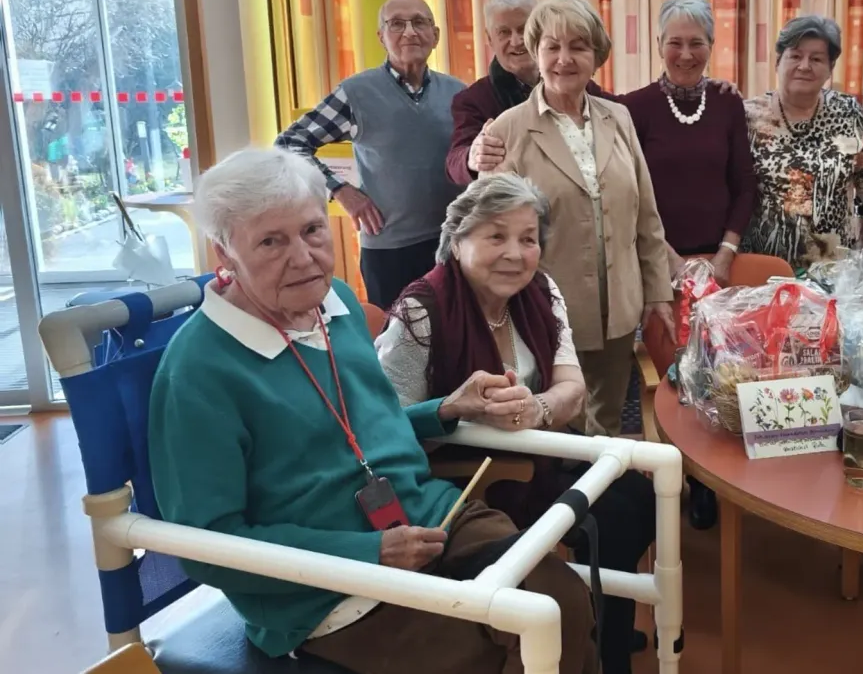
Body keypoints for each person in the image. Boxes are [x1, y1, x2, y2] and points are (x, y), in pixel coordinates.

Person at [148, 147, 596, 674]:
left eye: (313, 230)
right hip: (330, 593)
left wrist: (445, 410)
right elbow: (208, 547)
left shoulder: (333, 303)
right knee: (479, 654)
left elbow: (356, 437)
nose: (303, 257)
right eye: (271, 241)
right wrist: (369, 553)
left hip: (432, 519)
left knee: (559, 601)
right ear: (224, 254)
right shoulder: (198, 368)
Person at [377, 173, 655, 674]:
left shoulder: (542, 291)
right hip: (463, 479)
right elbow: (385, 426)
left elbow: (572, 389)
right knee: (604, 514)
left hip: (541, 450)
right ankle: (584, 627)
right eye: (496, 236)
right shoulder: (420, 311)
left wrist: (537, 410)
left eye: (528, 239)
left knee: (632, 499)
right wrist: (457, 408)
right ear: (457, 240)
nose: (515, 253)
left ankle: (608, 639)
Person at [482, 0, 674, 437]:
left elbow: (646, 215)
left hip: (619, 310)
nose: (564, 59)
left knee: (606, 420)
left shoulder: (619, 118)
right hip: (545, 314)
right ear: (536, 52)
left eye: (579, 46)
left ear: (596, 56)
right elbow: (491, 239)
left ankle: (605, 504)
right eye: (552, 46)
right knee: (555, 430)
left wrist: (657, 292)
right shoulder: (506, 130)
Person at [276, 0, 464, 309]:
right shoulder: (357, 93)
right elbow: (289, 144)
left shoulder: (458, 93)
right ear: (381, 36)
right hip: (390, 252)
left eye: (419, 22)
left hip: (453, 244)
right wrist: (342, 191)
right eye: (397, 24)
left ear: (436, 35)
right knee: (396, 347)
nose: (409, 32)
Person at [743, 14, 863, 274]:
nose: (805, 66)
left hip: (833, 271)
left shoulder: (846, 112)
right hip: (763, 268)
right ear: (778, 62)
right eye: (795, 55)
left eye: (816, 59)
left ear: (830, 67)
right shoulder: (748, 116)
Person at [619, 0, 755, 287]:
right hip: (654, 265)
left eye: (696, 43)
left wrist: (725, 256)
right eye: (675, 43)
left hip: (719, 266)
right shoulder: (633, 108)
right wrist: (670, 261)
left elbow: (745, 187)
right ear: (658, 45)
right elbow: (628, 197)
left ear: (711, 45)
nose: (685, 55)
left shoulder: (727, 102)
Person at [446, 0, 611, 187]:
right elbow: (454, 162)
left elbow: (613, 112)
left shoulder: (570, 82)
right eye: (504, 32)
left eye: (522, 29)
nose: (516, 41)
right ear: (490, 39)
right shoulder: (473, 100)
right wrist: (472, 156)